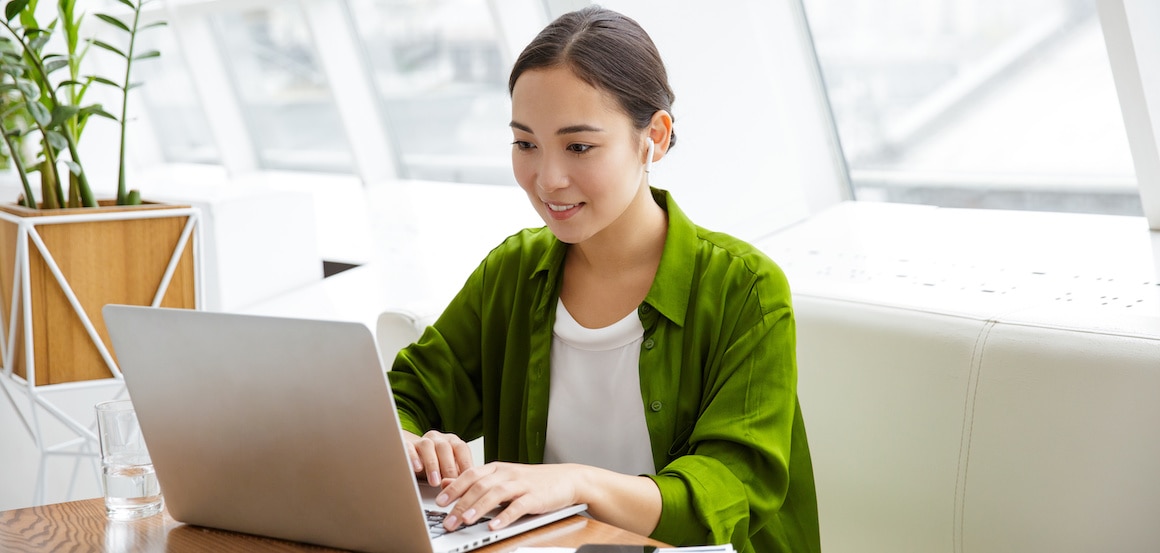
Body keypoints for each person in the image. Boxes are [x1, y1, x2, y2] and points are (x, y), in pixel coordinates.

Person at [388, 6, 819, 552]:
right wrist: (406, 442)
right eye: (526, 144)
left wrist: (575, 481)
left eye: (579, 146)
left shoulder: (745, 289)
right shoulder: (513, 272)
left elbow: (727, 491)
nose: (547, 178)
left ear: (654, 138)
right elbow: (403, 394)